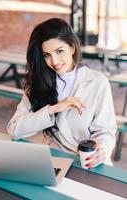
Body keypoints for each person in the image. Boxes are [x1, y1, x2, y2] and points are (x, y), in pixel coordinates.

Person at [7, 18, 117, 168]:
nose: (54, 61)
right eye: (46, 55)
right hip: (56, 161)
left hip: (89, 162)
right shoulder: (38, 84)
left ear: (72, 48)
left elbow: (105, 131)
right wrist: (54, 109)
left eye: (59, 51)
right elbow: (14, 129)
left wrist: (102, 150)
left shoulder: (98, 82)